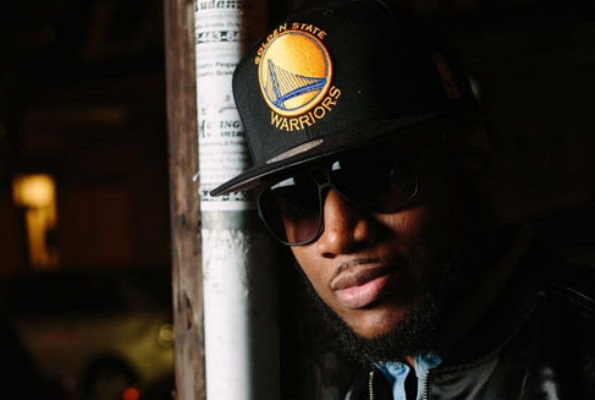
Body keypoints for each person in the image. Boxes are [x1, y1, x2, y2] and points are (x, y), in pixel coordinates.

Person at [211, 0, 595, 398]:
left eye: (377, 176)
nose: (337, 236)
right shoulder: (370, 390)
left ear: (471, 153)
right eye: (297, 203)